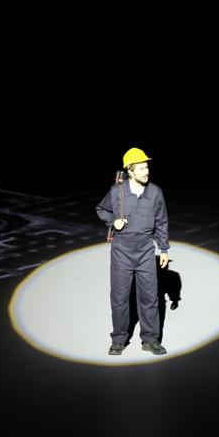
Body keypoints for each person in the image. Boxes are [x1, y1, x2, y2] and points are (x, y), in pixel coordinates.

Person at [96, 147, 170, 356]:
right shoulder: (116, 192)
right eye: (141, 168)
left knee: (150, 297)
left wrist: (164, 248)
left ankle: (150, 339)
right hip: (122, 252)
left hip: (146, 251)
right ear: (130, 170)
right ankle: (119, 339)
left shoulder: (155, 193)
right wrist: (113, 221)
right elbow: (101, 209)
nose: (147, 171)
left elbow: (162, 222)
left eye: (147, 167)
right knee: (119, 297)